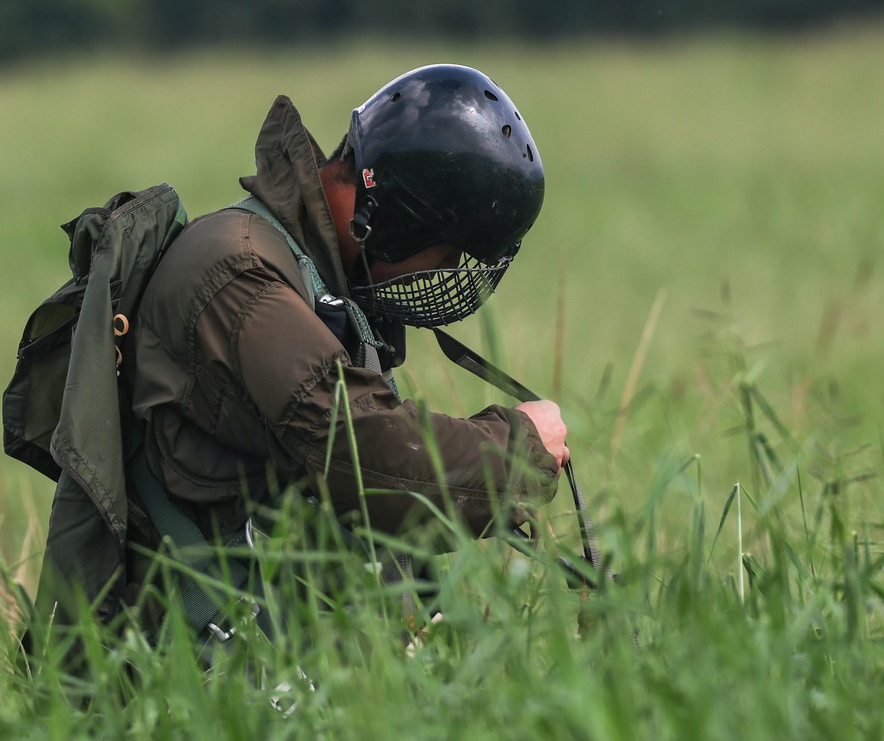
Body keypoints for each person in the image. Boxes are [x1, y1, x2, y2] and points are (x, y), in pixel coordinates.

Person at [124, 63, 569, 633]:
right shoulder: (240, 277)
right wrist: (519, 449)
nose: (450, 270)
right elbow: (367, 456)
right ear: (401, 219)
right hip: (207, 676)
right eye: (450, 249)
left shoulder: (305, 278)